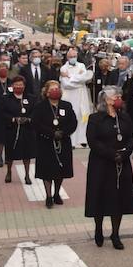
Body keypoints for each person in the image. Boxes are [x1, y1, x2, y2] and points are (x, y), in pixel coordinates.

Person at [86, 86, 133, 249]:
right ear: (107, 100)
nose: (119, 99)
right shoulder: (95, 118)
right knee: (100, 197)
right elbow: (93, 141)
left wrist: (124, 153)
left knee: (119, 198)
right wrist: (110, 154)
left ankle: (115, 233)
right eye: (116, 97)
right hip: (101, 163)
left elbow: (131, 137)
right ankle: (98, 229)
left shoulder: (125, 117)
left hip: (122, 162)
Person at [32, 80, 78, 209]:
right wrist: (51, 133)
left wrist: (63, 133)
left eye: (57, 88)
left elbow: (73, 122)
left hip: (63, 141)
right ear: (46, 92)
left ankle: (57, 193)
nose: (55, 91)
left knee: (60, 170)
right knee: (47, 170)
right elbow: (36, 124)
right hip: (45, 142)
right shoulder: (40, 107)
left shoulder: (66, 105)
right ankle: (48, 196)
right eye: (52, 89)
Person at [1, 74, 36, 185]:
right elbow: (2, 114)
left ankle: (27, 175)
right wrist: (13, 119)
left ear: (24, 86)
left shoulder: (31, 98)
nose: (18, 87)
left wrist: (29, 119)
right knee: (10, 153)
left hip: (27, 130)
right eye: (16, 85)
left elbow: (35, 112)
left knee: (27, 154)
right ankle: (9, 172)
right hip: (12, 129)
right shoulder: (6, 99)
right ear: (12, 86)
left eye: (20, 85)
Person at [59, 48, 94, 148]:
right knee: (72, 117)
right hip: (70, 96)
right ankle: (72, 141)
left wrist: (70, 76)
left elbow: (86, 77)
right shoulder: (63, 68)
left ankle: (82, 139)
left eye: (74, 56)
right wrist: (78, 79)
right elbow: (67, 84)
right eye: (71, 57)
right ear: (67, 57)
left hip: (82, 95)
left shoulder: (81, 66)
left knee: (83, 115)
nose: (73, 58)